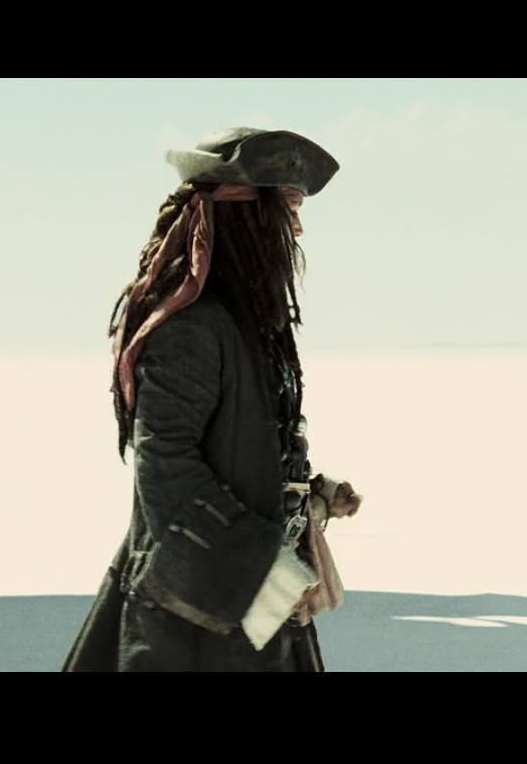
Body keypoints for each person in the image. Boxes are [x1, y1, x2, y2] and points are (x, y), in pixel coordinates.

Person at [61, 126, 363, 673]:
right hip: (192, 626)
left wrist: (307, 494)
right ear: (247, 216)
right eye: (288, 208)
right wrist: (263, 573)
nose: (297, 228)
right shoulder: (192, 330)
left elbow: (242, 450)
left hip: (254, 610)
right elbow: (165, 466)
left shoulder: (248, 327)